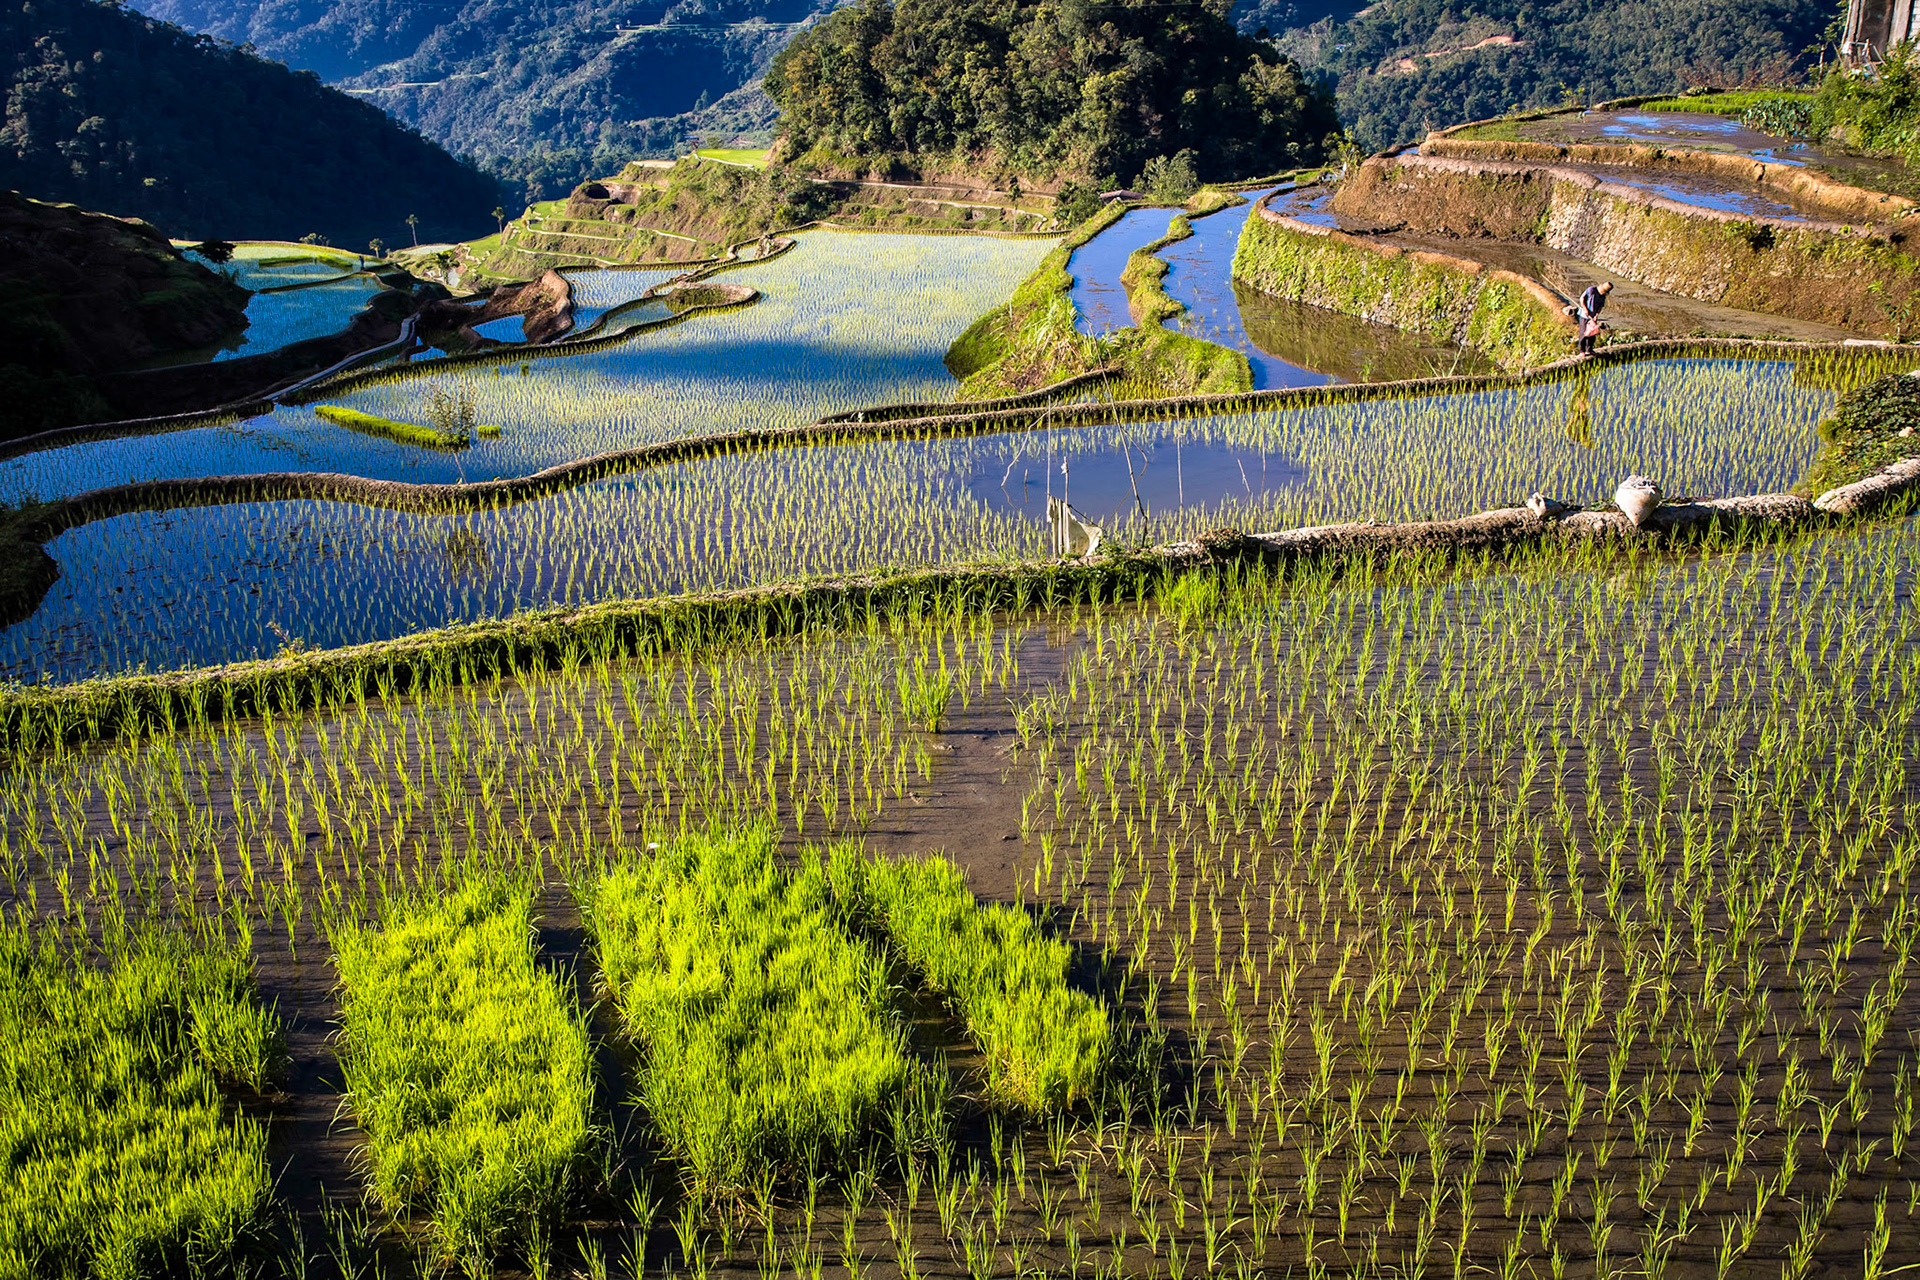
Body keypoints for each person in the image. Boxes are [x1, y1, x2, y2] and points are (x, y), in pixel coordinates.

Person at [1576, 281, 1613, 356]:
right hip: (1584, 315)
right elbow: (1582, 299)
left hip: (1592, 317)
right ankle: (1582, 351)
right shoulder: (1591, 290)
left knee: (1592, 333)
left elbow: (1600, 307)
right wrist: (1585, 309)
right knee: (1584, 333)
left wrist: (1596, 316)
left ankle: (1589, 350)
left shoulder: (1602, 296)